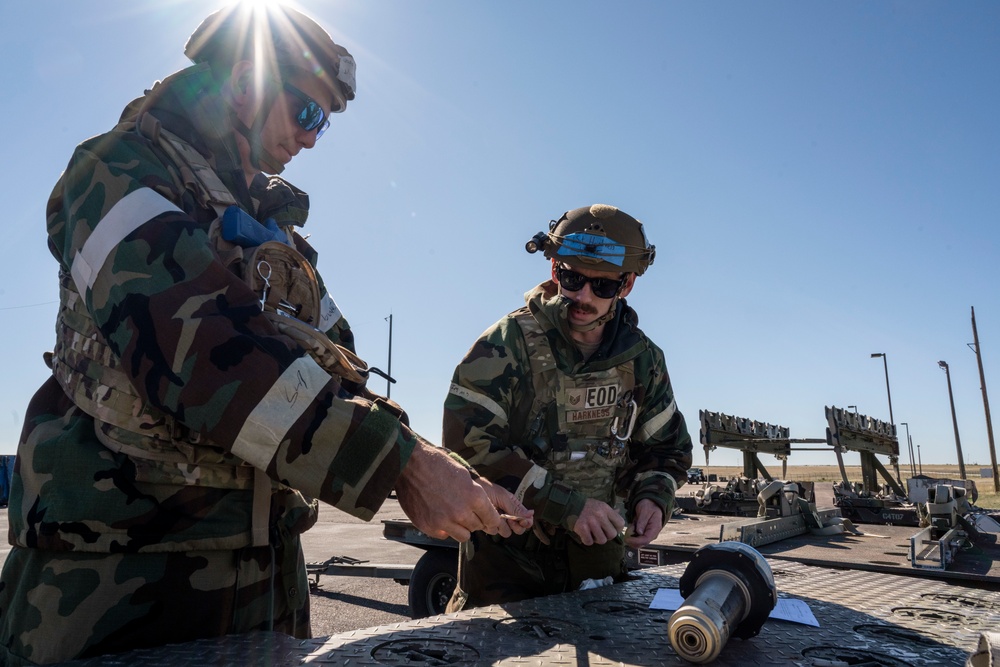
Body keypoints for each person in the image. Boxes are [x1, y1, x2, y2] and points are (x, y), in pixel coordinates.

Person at [0, 4, 530, 664]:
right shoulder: (114, 173)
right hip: (116, 580)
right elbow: (201, 351)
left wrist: (429, 461)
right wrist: (397, 463)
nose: (311, 139)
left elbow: (344, 375)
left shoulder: (281, 237)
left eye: (324, 124)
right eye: (306, 112)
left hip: (266, 578)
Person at [442, 204, 693, 611]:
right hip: (504, 574)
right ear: (555, 270)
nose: (583, 296)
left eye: (603, 286)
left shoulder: (643, 360)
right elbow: (467, 451)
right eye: (573, 279)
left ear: (626, 285)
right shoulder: (506, 345)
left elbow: (668, 451)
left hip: (599, 571)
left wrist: (654, 496)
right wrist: (568, 507)